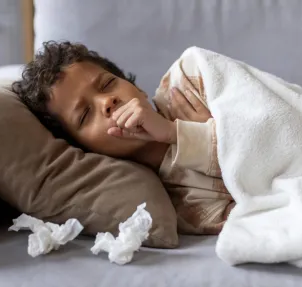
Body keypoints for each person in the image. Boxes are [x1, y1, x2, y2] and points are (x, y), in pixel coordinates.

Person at [12, 41, 234, 235]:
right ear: (85, 150)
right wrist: (198, 137)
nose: (106, 102)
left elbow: (265, 122)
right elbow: (259, 209)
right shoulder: (183, 207)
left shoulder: (189, 79)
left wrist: (227, 127)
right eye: (85, 115)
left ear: (137, 88)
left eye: (108, 84)